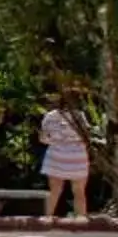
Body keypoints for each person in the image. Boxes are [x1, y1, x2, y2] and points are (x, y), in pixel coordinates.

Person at [40, 93, 93, 221]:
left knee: (54, 191)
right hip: (77, 156)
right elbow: (86, 136)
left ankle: (47, 218)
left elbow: (43, 138)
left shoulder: (50, 116)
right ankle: (80, 219)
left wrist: (57, 142)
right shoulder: (79, 116)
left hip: (56, 155)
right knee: (79, 191)